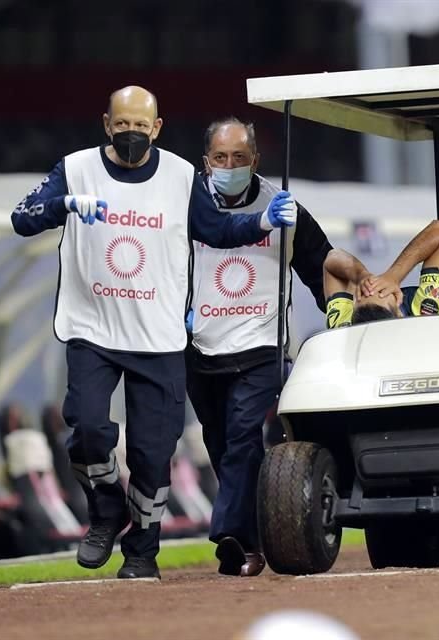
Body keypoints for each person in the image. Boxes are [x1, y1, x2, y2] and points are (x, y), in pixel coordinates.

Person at [9, 86, 296, 579]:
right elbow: (22, 218)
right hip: (93, 327)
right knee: (88, 430)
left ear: (157, 128)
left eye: (140, 127)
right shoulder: (75, 169)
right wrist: (66, 205)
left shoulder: (182, 177)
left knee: (151, 454)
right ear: (106, 124)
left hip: (159, 336)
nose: (131, 135)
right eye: (122, 126)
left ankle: (142, 552)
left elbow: (217, 231)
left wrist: (260, 221)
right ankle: (106, 511)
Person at [185, 117, 334, 577]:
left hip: (261, 346)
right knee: (221, 443)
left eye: (240, 158)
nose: (230, 166)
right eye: (221, 159)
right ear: (206, 162)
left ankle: (234, 538)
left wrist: (340, 316)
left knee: (243, 437)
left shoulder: (284, 209)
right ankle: (258, 532)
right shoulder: (184, 204)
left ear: (256, 160)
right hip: (200, 346)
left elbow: (320, 267)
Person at [325, 219, 439, 327]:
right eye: (382, 292)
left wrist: (361, 276)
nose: (373, 286)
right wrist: (394, 276)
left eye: (363, 292)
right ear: (399, 314)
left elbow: (332, 258)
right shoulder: (429, 313)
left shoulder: (345, 326)